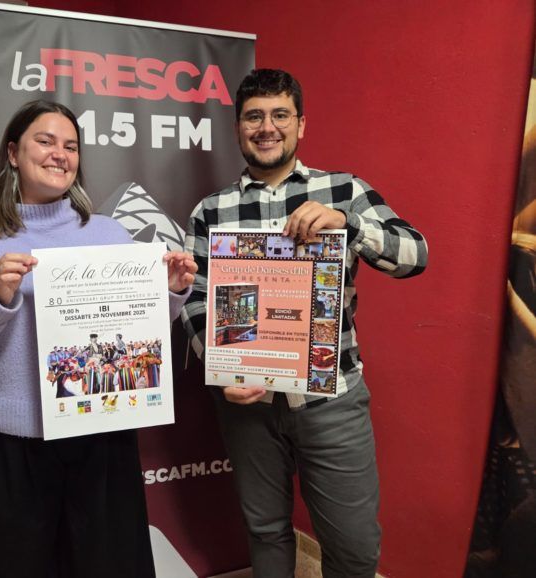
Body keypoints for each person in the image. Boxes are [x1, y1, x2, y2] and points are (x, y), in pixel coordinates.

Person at [0, 99, 196, 578]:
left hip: (102, 435)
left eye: (70, 146)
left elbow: (136, 332)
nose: (59, 154)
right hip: (13, 444)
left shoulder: (109, 234)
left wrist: (168, 293)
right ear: (13, 153)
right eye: (45, 141)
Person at [181, 69, 428, 578]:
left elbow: (415, 255)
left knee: (355, 548)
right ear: (238, 127)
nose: (266, 127)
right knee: (266, 532)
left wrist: (351, 226)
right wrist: (221, 366)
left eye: (280, 115)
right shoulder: (211, 210)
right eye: (254, 116)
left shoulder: (343, 190)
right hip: (248, 404)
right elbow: (195, 298)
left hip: (330, 398)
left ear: (301, 125)